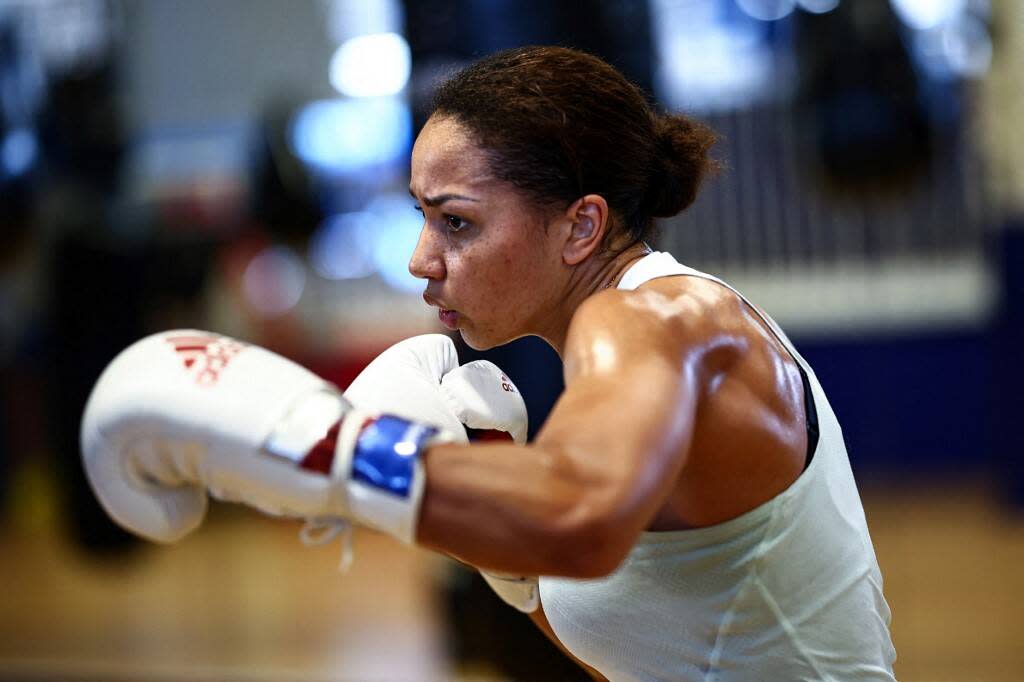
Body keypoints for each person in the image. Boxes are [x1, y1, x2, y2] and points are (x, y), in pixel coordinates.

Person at [81, 47, 896, 680]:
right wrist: (508, 561)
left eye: (458, 224)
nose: (420, 259)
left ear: (581, 228)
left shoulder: (657, 319)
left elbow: (579, 517)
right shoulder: (611, 351)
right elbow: (661, 655)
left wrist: (327, 444)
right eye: (421, 218)